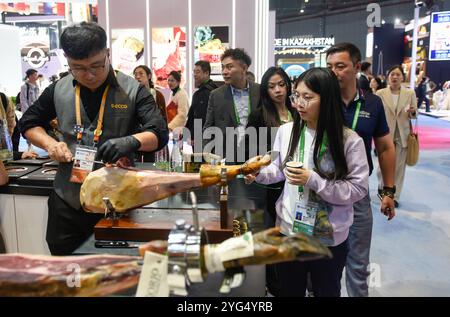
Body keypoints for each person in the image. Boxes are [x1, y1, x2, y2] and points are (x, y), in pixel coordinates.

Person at [19, 22, 168, 256]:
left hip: (117, 203)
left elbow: (159, 132)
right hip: (67, 202)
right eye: (77, 67)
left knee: (116, 277)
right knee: (67, 274)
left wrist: (131, 141)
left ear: (108, 54)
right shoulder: (58, 89)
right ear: (67, 60)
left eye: (96, 66)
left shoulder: (132, 89)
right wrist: (50, 144)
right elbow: (27, 122)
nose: (89, 75)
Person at [245, 68, 369, 297]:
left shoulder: (349, 140)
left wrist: (314, 180)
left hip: (328, 236)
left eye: (308, 97)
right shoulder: (287, 131)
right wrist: (259, 172)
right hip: (290, 230)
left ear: (328, 99)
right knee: (289, 290)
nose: (299, 103)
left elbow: (358, 189)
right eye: (297, 96)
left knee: (326, 290)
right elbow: (279, 170)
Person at [326, 43, 396, 297]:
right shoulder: (321, 101)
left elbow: (386, 148)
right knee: (323, 262)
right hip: (323, 192)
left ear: (356, 68)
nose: (334, 72)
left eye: (340, 66)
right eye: (329, 67)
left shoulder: (373, 104)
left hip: (357, 193)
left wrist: (388, 190)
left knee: (358, 263)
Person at [246, 66, 295, 296]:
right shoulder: (259, 114)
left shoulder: (297, 110)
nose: (278, 90)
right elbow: (248, 148)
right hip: (269, 183)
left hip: (295, 182)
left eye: (281, 84)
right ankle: (273, 285)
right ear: (265, 90)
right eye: (272, 86)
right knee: (272, 234)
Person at [203, 48, 260, 163]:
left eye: (229, 67)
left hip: (255, 155)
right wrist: (208, 157)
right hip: (226, 157)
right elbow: (208, 128)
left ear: (244, 68)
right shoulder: (216, 95)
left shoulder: (259, 91)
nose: (224, 72)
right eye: (223, 67)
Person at [376, 65, 417, 207]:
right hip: (384, 134)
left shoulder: (410, 93)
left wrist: (412, 112)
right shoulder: (380, 93)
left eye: (398, 75)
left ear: (402, 78)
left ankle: (395, 195)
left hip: (402, 134)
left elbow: (414, 114)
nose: (395, 77)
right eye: (392, 74)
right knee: (382, 166)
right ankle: (382, 188)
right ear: (388, 77)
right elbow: (376, 113)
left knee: (399, 168)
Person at [185, 61, 218, 144]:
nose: (195, 75)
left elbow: (200, 118)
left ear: (206, 73)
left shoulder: (205, 93)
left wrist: (193, 136)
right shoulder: (214, 90)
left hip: (203, 139)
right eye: (194, 72)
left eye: (198, 72)